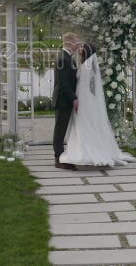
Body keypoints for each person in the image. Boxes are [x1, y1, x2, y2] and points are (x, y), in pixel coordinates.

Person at [59, 42, 136, 167]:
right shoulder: (89, 65)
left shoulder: (86, 66)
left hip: (83, 101)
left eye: (82, 48)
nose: (79, 49)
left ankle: (85, 150)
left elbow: (85, 87)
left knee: (83, 126)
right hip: (86, 101)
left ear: (86, 51)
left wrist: (77, 100)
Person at [52, 32, 79, 170]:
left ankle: (61, 156)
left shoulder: (68, 57)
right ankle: (59, 158)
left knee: (62, 128)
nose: (78, 43)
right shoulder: (63, 58)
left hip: (65, 99)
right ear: (69, 42)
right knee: (60, 130)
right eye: (76, 40)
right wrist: (74, 98)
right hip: (63, 100)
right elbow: (63, 84)